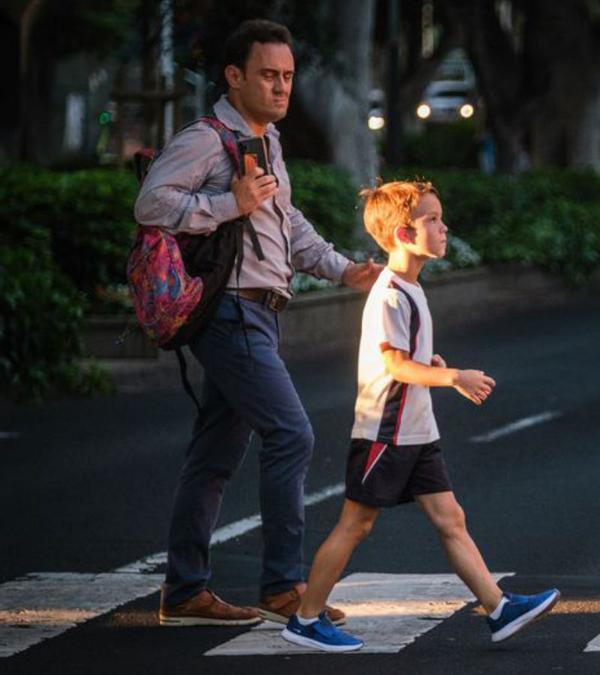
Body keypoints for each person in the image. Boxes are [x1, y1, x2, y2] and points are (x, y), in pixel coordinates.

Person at [134, 19, 383, 626]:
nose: (280, 87)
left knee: (215, 453)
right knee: (291, 434)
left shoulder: (264, 142)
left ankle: (186, 590)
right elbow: (151, 204)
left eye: (288, 77)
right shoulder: (206, 138)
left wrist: (343, 269)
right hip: (230, 311)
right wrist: (229, 204)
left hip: (260, 314)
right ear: (234, 75)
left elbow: (286, 225)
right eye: (268, 75)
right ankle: (282, 586)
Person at [279, 181, 560, 652]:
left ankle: (498, 608)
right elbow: (392, 364)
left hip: (415, 432)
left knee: (451, 517)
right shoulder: (391, 293)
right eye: (432, 220)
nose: (444, 226)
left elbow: (404, 358)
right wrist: (452, 377)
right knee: (356, 525)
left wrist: (429, 365)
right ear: (405, 235)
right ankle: (306, 620)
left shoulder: (409, 288)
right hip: (385, 433)